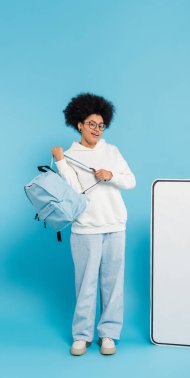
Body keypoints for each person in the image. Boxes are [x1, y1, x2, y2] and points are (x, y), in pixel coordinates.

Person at [51, 92, 136, 356]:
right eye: (91, 124)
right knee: (85, 283)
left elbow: (131, 181)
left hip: (115, 226)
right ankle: (82, 335)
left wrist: (111, 175)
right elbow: (75, 193)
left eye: (100, 125)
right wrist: (62, 161)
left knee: (112, 283)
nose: (97, 129)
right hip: (85, 229)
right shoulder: (69, 155)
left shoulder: (112, 151)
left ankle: (108, 334)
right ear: (79, 124)